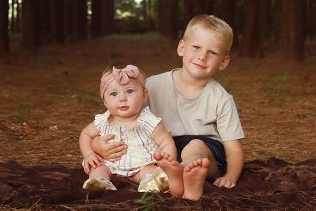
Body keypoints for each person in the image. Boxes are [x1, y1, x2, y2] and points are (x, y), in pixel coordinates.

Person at [92, 14, 245, 201]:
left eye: (212, 52)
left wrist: (231, 176)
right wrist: (96, 145)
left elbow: (234, 149)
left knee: (194, 147)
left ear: (223, 62)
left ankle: (184, 174)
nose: (202, 56)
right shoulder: (153, 86)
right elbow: (120, 118)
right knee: (158, 157)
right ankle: (183, 185)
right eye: (196, 47)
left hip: (206, 153)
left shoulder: (221, 98)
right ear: (181, 47)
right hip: (162, 150)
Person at [79, 64, 184, 197]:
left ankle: (151, 183)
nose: (122, 98)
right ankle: (100, 182)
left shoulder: (150, 121)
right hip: (110, 164)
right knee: (97, 168)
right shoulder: (103, 120)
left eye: (129, 91)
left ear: (144, 95)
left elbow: (166, 143)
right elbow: (85, 134)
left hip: (142, 165)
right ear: (105, 101)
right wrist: (88, 154)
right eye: (113, 94)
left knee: (152, 171)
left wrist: (167, 165)